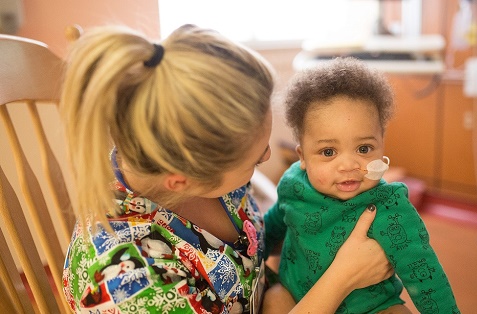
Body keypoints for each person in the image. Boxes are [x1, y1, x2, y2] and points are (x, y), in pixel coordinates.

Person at [59, 24, 394, 314]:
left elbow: (257, 249)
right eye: (253, 159)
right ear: (182, 180)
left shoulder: (199, 169)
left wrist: (286, 275)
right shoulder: (133, 283)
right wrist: (343, 276)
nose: (266, 156)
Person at [263, 57, 461, 314]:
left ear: (382, 144)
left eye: (364, 148)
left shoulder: (390, 207)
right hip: (298, 298)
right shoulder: (294, 186)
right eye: (328, 152)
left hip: (372, 307)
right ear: (302, 157)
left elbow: (425, 275)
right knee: (274, 298)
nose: (348, 165)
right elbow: (271, 227)